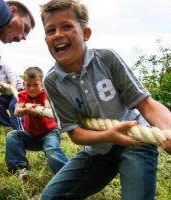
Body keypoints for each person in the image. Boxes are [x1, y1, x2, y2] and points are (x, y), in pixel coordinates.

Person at [39, 0, 171, 199]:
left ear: (86, 34)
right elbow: (75, 133)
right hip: (99, 147)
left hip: (137, 142)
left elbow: (145, 104)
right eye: (50, 30)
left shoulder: (106, 59)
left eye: (66, 26)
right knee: (50, 197)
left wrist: (168, 131)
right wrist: (108, 135)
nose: (57, 34)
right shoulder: (52, 82)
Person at [5, 66, 69, 181]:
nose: (32, 88)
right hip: (31, 136)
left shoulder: (45, 93)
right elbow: (17, 112)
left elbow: (47, 104)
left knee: (51, 150)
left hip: (49, 134)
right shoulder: (23, 95)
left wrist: (43, 108)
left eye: (35, 85)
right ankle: (21, 169)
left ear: (42, 84)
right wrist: (27, 110)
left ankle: (68, 174)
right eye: (28, 85)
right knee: (12, 135)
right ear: (24, 85)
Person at [0, 48, 24, 130]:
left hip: (19, 92)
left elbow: (13, 79)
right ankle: (7, 125)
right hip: (8, 95)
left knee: (13, 105)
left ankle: (19, 129)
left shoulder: (5, 66)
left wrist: (12, 86)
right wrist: (2, 86)